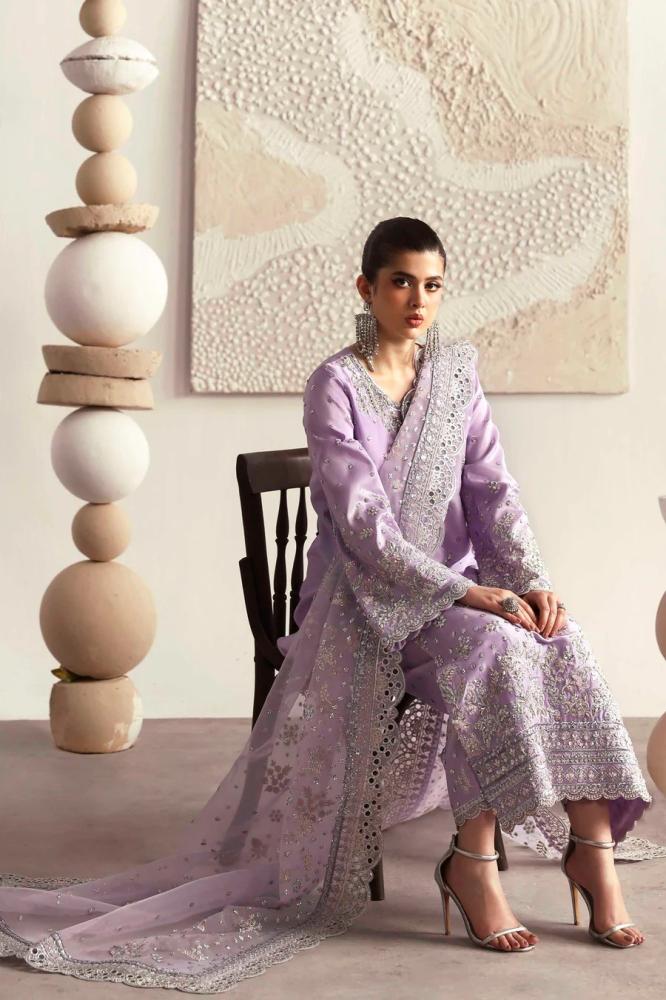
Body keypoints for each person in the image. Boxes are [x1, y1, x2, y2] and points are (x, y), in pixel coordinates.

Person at [0, 219, 652, 991]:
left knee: (557, 638)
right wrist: (469, 591)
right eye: (401, 282)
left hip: (461, 588)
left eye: (433, 285)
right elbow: (363, 523)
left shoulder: (456, 373)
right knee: (491, 647)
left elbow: (492, 492)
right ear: (367, 288)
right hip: (369, 598)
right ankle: (472, 865)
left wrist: (531, 580)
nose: (417, 300)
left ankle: (592, 852)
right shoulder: (335, 384)